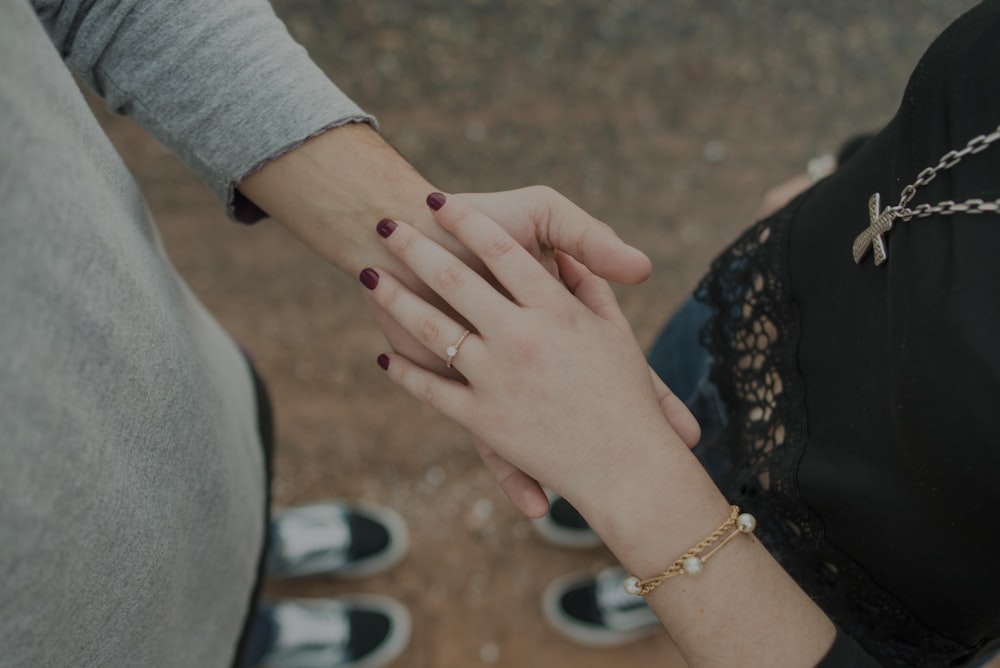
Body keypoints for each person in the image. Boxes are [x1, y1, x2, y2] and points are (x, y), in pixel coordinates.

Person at [0, 0, 658, 666]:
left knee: (216, 521)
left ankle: (247, 552)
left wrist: (405, 235)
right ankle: (244, 643)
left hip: (156, 391)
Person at [362, 2, 1000, 666]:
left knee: (724, 544)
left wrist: (626, 477)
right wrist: (843, 167)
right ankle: (610, 511)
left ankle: (656, 572)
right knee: (673, 393)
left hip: (864, 552)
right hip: (760, 310)